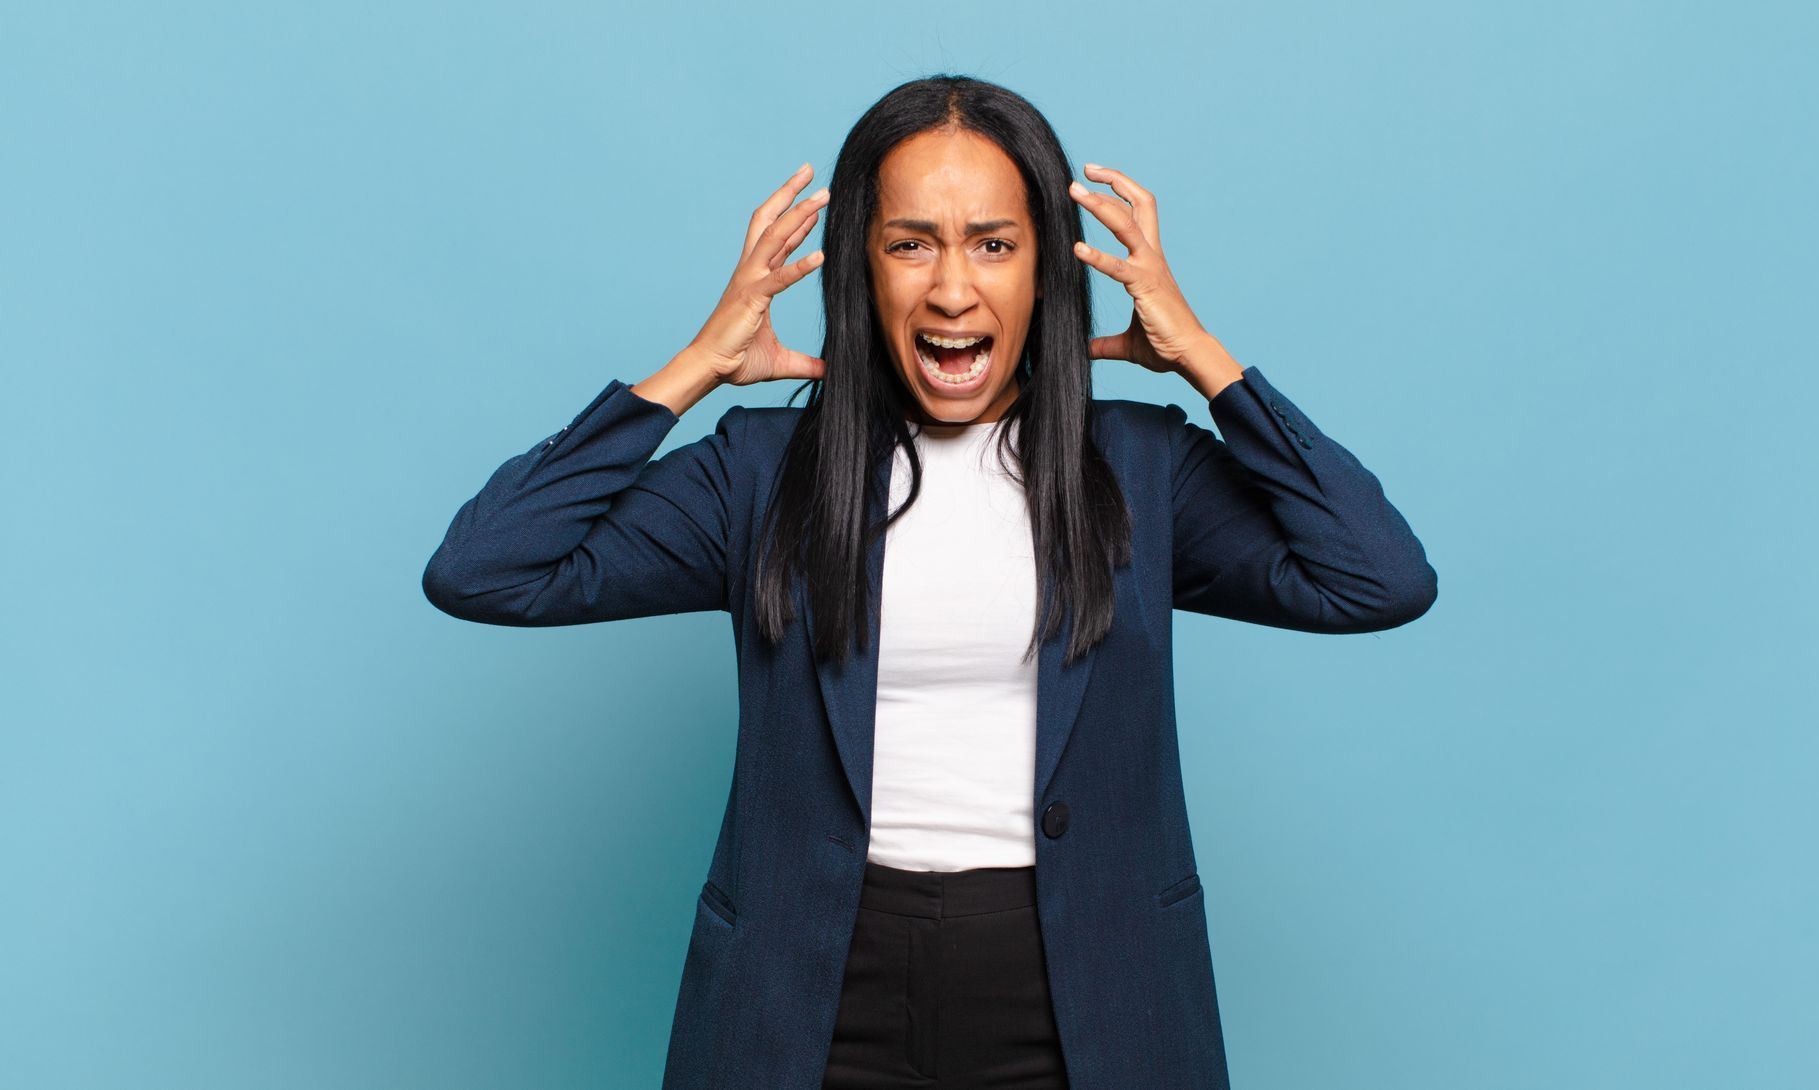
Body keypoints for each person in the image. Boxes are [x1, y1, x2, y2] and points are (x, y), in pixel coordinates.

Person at [422, 75, 1437, 1090]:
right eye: (912, 244)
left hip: (1082, 998)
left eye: (994, 244)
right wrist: (690, 368)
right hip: (811, 999)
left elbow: (1376, 576)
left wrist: (1208, 360)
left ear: (1048, 268)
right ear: (862, 268)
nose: (953, 289)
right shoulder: (762, 472)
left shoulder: (1138, 467)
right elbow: (487, 567)